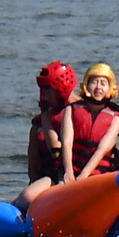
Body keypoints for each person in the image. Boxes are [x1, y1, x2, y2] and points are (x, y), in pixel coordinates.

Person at [17, 61, 78, 211]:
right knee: (24, 200)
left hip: (84, 176)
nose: (44, 94)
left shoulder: (85, 113)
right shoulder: (39, 125)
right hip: (53, 179)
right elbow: (33, 170)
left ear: (61, 88)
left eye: (47, 89)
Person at [60, 63, 119, 183]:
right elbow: (67, 142)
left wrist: (83, 176)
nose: (98, 87)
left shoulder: (115, 118)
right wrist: (68, 172)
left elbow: (101, 150)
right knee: (28, 193)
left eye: (103, 84)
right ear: (86, 85)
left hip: (97, 177)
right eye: (94, 82)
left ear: (110, 88)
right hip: (68, 174)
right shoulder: (71, 109)